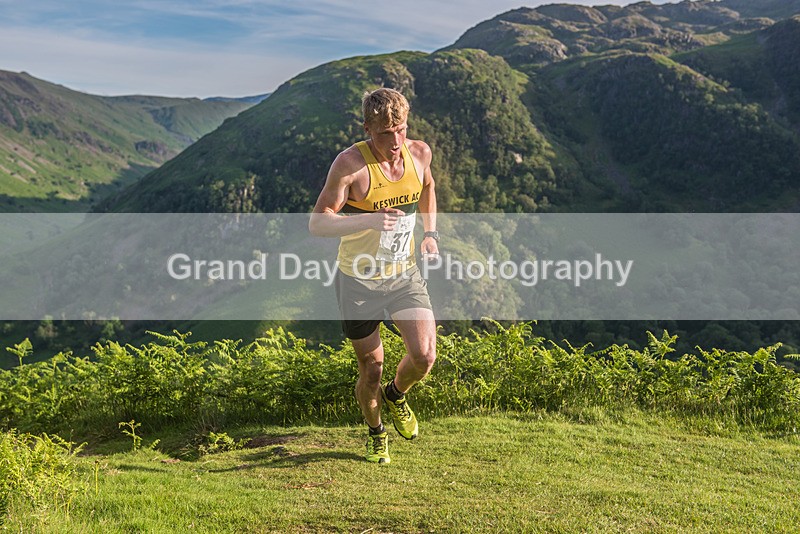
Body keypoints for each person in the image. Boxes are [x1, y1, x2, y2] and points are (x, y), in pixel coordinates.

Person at [309, 87, 439, 464]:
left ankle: (397, 395)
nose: (396, 140)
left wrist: (429, 234)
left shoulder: (420, 153)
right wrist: (368, 219)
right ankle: (376, 432)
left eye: (401, 129)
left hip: (403, 276)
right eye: (385, 133)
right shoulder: (349, 165)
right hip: (359, 281)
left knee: (425, 355)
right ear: (367, 129)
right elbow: (317, 223)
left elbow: (428, 187)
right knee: (372, 368)